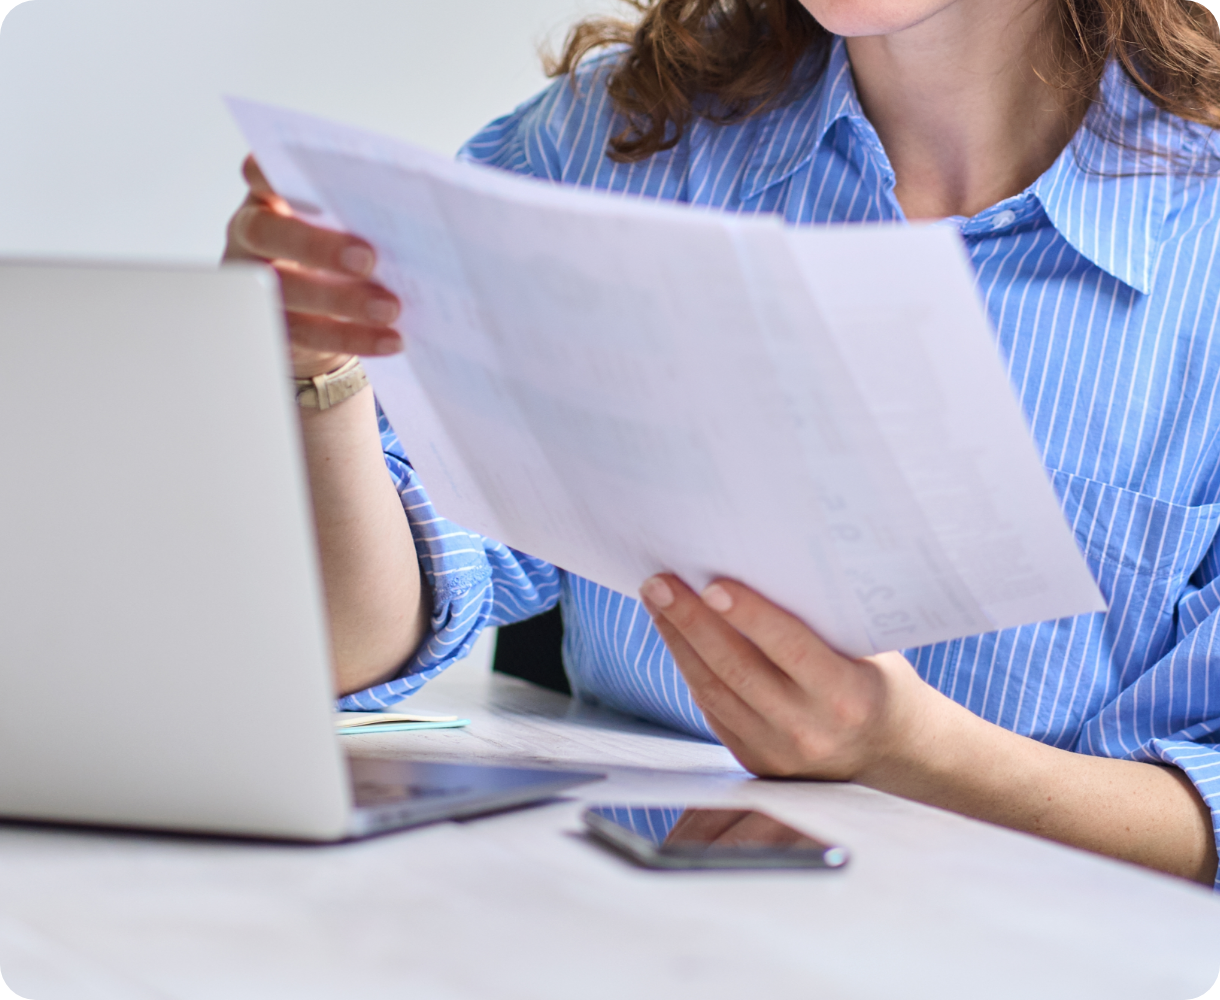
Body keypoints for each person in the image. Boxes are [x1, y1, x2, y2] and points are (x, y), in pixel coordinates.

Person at [224, 0, 1220, 886]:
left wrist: (913, 752)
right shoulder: (610, 141)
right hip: (618, 922)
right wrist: (318, 372)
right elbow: (346, 646)